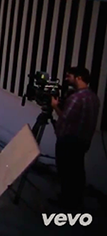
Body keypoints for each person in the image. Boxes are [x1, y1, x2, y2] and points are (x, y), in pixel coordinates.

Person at [50, 66, 100, 209]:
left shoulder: (77, 98)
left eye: (69, 76)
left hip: (69, 140)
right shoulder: (93, 97)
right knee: (77, 171)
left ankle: (67, 202)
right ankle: (75, 200)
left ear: (78, 78)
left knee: (66, 172)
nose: (67, 79)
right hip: (83, 141)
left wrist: (54, 106)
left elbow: (65, 118)